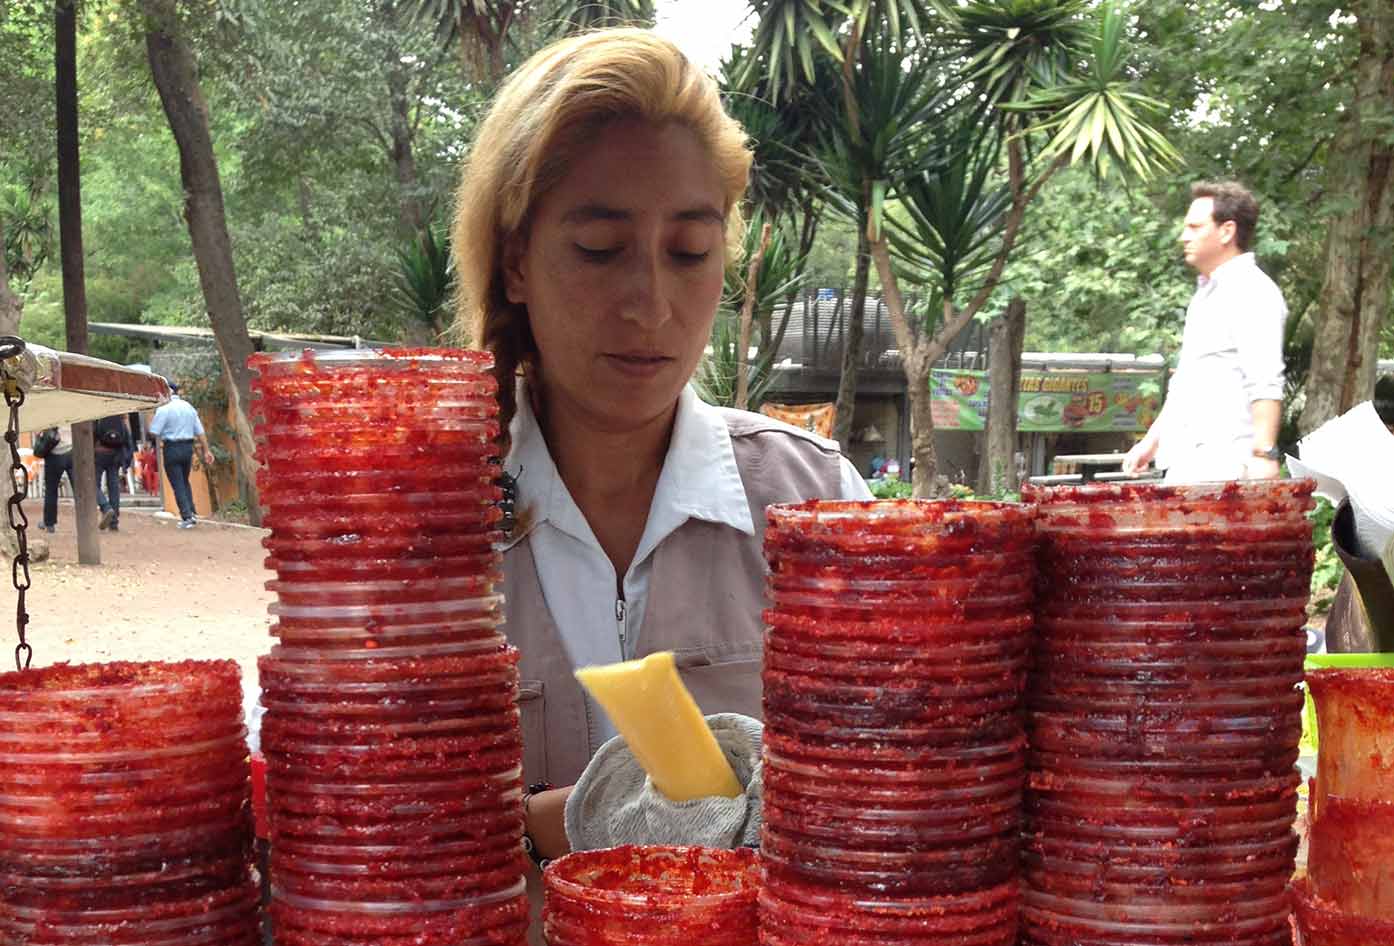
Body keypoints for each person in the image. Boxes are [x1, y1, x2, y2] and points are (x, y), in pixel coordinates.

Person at [451, 28, 871, 866]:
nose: (650, 304)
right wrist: (561, 824)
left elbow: (891, 796)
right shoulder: (422, 526)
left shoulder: (813, 506)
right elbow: (337, 822)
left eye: (689, 251)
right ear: (515, 263)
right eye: (599, 250)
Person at [1123, 180, 1287, 482]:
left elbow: (1265, 382)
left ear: (1227, 231)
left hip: (1226, 468)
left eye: (1195, 227)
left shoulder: (1252, 291)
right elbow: (1186, 384)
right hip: (1187, 464)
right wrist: (1150, 442)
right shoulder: (1205, 295)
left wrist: (1263, 456)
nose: (1183, 237)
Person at [147, 381, 215, 529]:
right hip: (188, 447)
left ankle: (187, 517)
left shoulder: (164, 409)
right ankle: (191, 511)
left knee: (177, 483)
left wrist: (155, 409)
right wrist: (206, 450)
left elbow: (153, 432)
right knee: (184, 481)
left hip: (172, 448)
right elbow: (200, 431)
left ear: (166, 392)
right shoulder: (188, 407)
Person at [92, 414, 132, 531]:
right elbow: (127, 439)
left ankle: (105, 507)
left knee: (93, 485)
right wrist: (126, 461)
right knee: (113, 487)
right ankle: (114, 522)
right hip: (115, 455)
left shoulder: (98, 415)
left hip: (99, 454)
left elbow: (92, 434)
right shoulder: (119, 416)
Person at [39, 426, 74, 533]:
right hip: (71, 450)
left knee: (51, 490)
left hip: (54, 453)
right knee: (80, 489)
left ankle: (49, 523)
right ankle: (86, 520)